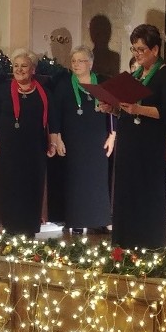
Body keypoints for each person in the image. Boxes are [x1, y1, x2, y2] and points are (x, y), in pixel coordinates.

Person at [104, 24, 166, 249]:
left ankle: (150, 244)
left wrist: (138, 109)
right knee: (127, 190)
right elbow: (126, 107)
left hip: (149, 144)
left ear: (155, 50)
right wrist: (113, 108)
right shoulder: (134, 75)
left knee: (148, 191)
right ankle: (125, 241)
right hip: (129, 142)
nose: (136, 54)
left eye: (141, 50)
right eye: (134, 49)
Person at [0, 48, 57, 237]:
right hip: (9, 150)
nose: (19, 69)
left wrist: (54, 144)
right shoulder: (2, 92)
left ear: (32, 69)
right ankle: (11, 228)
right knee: (12, 187)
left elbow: (53, 120)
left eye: (24, 66)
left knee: (32, 188)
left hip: (35, 150)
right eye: (16, 66)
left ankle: (30, 229)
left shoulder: (44, 93)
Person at [50, 45, 114, 234]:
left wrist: (113, 135)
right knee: (76, 179)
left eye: (81, 61)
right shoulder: (63, 85)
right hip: (73, 139)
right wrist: (58, 138)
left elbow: (113, 110)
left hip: (98, 139)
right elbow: (55, 113)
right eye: (74, 61)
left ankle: (100, 219)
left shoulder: (102, 83)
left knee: (98, 180)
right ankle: (76, 220)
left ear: (91, 63)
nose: (76, 64)